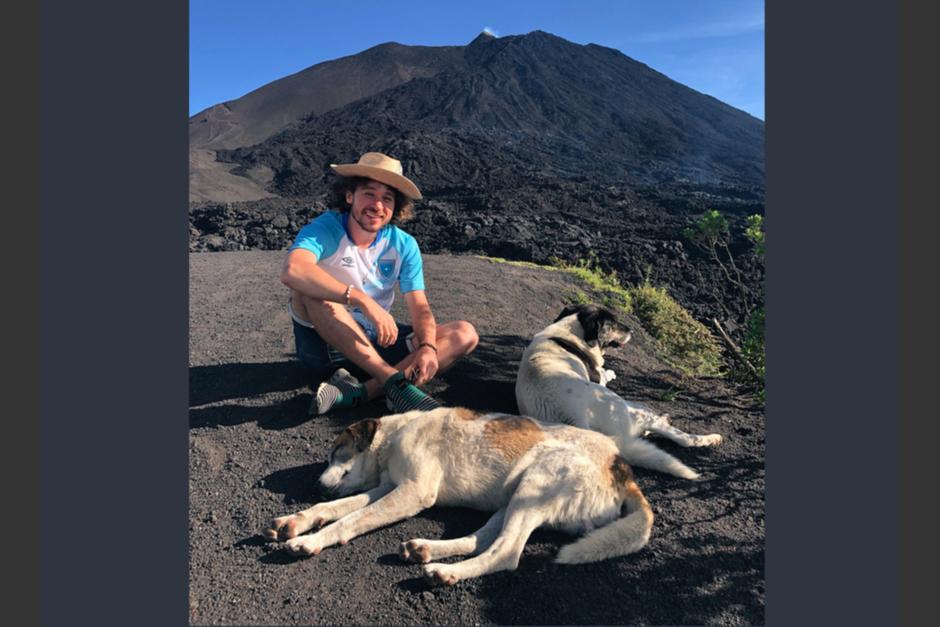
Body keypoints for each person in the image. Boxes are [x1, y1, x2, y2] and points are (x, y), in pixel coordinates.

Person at [280, 152, 479, 415]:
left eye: (387, 198)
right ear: (349, 196)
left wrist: (428, 347)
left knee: (464, 334)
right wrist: (361, 299)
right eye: (369, 194)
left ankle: (362, 392)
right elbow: (294, 270)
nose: (377, 205)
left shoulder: (403, 244)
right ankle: (394, 383)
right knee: (307, 290)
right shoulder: (326, 229)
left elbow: (419, 306)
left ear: (396, 207)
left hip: (377, 344)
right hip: (327, 349)